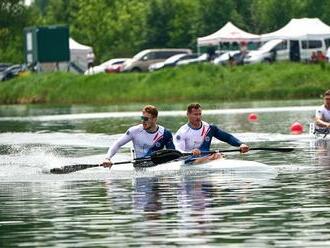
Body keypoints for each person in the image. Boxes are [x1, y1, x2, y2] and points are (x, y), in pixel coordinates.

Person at [102, 105, 175, 169]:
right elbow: (118, 144)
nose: (143, 121)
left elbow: (173, 154)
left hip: (156, 169)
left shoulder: (165, 134)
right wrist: (107, 158)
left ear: (154, 119)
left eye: (146, 119)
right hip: (139, 168)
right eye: (142, 118)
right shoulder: (134, 131)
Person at [174, 103, 249, 164]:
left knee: (218, 155)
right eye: (195, 114)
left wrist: (241, 144)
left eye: (200, 114)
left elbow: (227, 137)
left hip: (206, 157)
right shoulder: (182, 132)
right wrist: (191, 152)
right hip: (189, 160)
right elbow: (178, 152)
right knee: (213, 157)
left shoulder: (209, 128)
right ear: (188, 114)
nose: (198, 117)